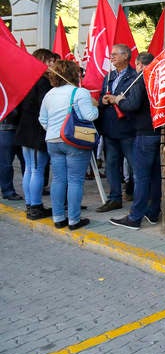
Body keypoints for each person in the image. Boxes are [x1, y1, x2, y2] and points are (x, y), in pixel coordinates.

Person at [39, 60, 98, 230]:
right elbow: (89, 116)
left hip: (52, 140)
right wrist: (96, 107)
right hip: (74, 140)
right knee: (75, 181)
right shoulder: (80, 92)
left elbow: (42, 119)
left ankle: (58, 218)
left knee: (58, 179)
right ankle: (73, 220)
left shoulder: (49, 94)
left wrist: (54, 130)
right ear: (74, 74)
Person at [108, 52, 162, 229]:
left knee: (141, 176)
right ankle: (153, 212)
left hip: (144, 133)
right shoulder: (157, 78)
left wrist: (119, 100)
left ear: (138, 64)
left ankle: (135, 217)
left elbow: (133, 105)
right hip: (156, 132)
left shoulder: (141, 79)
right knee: (154, 176)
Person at [96, 43, 137, 212]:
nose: (111, 57)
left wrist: (117, 99)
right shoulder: (110, 76)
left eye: (115, 54)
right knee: (112, 164)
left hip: (127, 128)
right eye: (111, 54)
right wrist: (103, 100)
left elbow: (135, 101)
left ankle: (135, 192)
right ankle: (114, 198)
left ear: (126, 56)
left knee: (135, 164)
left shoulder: (134, 76)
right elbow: (101, 96)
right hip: (110, 127)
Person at [16, 48, 55, 219]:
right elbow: (45, 107)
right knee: (37, 169)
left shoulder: (27, 79)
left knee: (30, 169)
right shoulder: (43, 82)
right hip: (37, 130)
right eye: (50, 61)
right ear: (43, 61)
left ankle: (31, 204)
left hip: (25, 129)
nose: (53, 64)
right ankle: (35, 206)